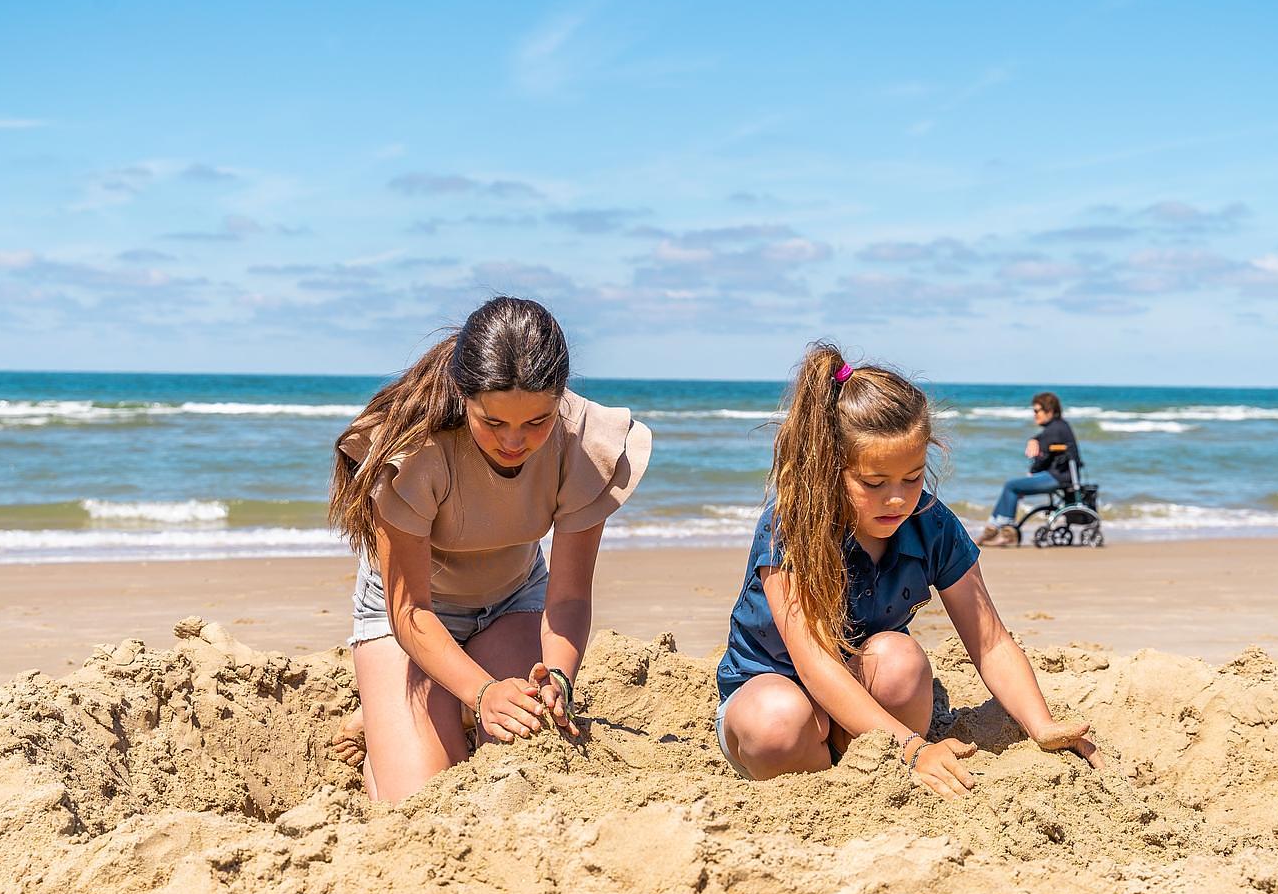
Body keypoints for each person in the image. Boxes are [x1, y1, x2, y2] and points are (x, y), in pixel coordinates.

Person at [715, 345, 1100, 799]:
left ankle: (869, 771)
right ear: (828, 469)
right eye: (874, 483)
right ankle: (827, 783)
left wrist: (1041, 725)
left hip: (867, 695)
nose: (898, 499)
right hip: (772, 692)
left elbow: (990, 640)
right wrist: (915, 748)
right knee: (778, 719)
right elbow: (814, 662)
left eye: (913, 477)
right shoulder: (793, 525)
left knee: (900, 659)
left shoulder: (931, 524)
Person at [326, 296, 651, 802]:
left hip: (512, 603)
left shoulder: (582, 441)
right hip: (410, 618)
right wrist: (482, 693)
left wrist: (560, 676)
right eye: (493, 423)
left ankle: (426, 705)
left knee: (530, 747)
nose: (515, 442)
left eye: (536, 422)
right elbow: (410, 610)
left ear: (560, 397)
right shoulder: (416, 450)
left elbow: (567, 599)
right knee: (422, 797)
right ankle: (394, 723)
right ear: (464, 395)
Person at [976, 391, 1081, 547]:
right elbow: (1045, 449)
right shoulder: (1057, 427)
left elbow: (1043, 451)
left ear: (1050, 411)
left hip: (1059, 477)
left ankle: (1006, 532)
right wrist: (1034, 441)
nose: (1034, 415)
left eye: (1037, 411)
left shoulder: (1056, 428)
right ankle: (991, 530)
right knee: (1011, 486)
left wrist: (1033, 443)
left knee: (1012, 485)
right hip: (1056, 475)